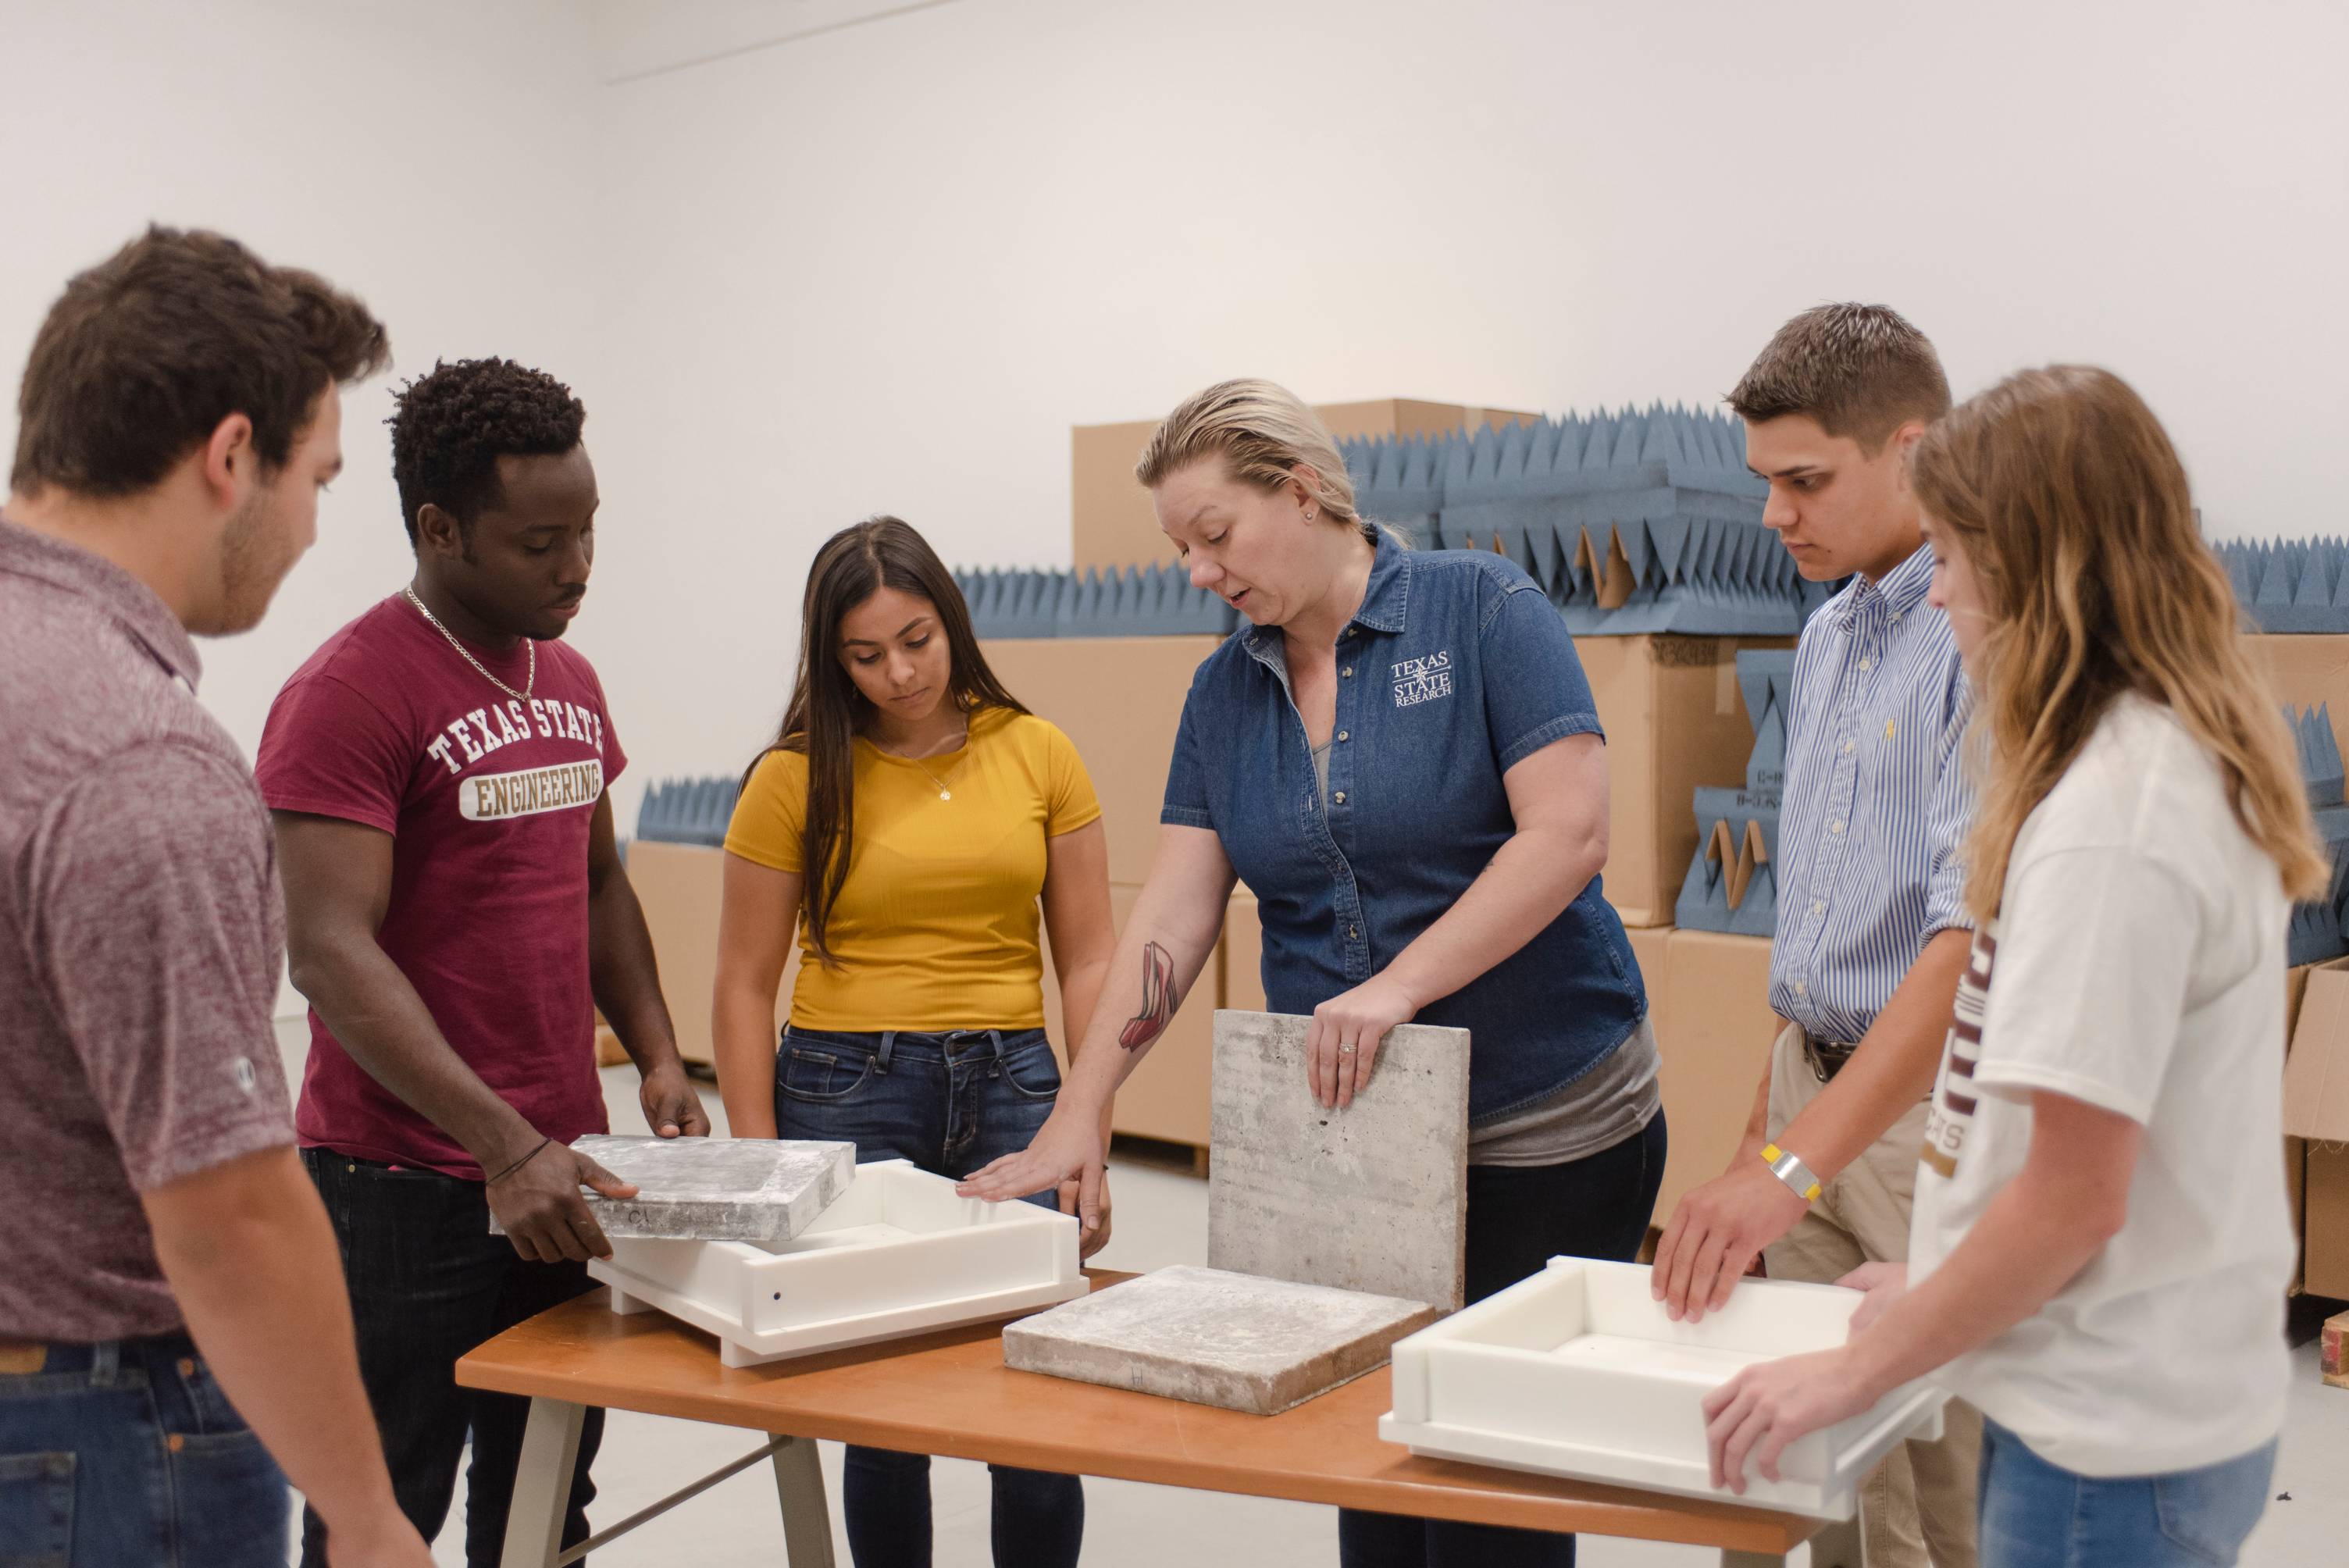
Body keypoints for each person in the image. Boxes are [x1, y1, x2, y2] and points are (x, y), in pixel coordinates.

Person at [961, 378, 1664, 1568]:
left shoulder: (1482, 609)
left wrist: (1398, 985)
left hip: (1548, 1121)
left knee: (1490, 1492)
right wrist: (1084, 1110)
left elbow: (1568, 836)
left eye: (1216, 535)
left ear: (1306, 491)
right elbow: (1174, 922)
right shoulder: (1226, 691)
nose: (1199, 570)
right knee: (1365, 1456)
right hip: (1361, 1141)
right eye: (1181, 548)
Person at [1705, 365, 2315, 1568]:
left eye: (1945, 556)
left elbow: (2075, 1195)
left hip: (2105, 1444)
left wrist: (1860, 1367)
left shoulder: (2113, 822)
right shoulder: (2139, 764)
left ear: (2032, 569)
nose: (1936, 596)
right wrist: (1934, 1282)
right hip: (2129, 1400)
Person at [0, 226, 430, 1566]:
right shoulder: (137, 759)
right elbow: (231, 1214)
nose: (311, 525)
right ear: (230, 456)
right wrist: (364, 1518)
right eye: (319, 477)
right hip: (103, 1434)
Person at [256, 357, 710, 1567]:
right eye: (541, 541)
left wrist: (658, 1053)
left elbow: (598, 881)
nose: (577, 569)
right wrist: (500, 1145)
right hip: (404, 1182)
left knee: (545, 1502)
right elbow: (328, 953)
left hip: (563, 1165)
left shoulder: (566, 677)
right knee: (384, 1506)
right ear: (439, 528)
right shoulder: (347, 694)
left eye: (590, 532)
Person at [1649, 303, 1983, 1567]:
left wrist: (1789, 1169)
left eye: (1806, 481)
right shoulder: (1832, 628)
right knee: (1808, 1478)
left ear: (1911, 448)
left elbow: (1964, 944)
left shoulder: (1974, 633)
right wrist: (1760, 1137)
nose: (1777, 515)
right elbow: (1820, 923)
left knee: (1938, 1494)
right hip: (1818, 1083)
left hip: (1927, 1121)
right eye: (1764, 485)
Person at [714, 515, 1113, 1567]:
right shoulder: (794, 778)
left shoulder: (1038, 751)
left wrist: (1091, 1126)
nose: (898, 672)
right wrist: (762, 1171)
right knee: (881, 1404)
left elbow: (1089, 962)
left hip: (1017, 1083)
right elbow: (743, 985)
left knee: (1034, 1390)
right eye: (866, 654)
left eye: (918, 641)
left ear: (954, 625)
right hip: (847, 1090)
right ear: (830, 659)